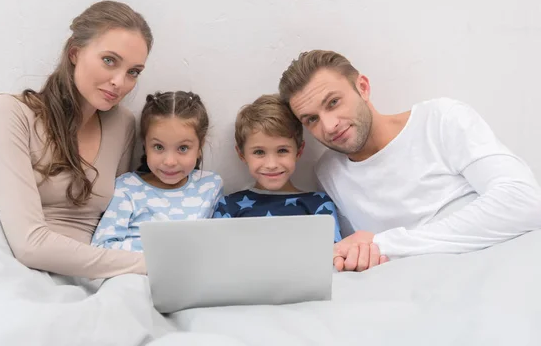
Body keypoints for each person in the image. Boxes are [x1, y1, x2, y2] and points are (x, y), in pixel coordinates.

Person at [278, 50, 541, 272]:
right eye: (311, 119)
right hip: (417, 301)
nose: (330, 125)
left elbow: (525, 202)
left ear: (363, 88)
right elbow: (363, 253)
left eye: (333, 102)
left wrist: (387, 244)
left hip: (498, 273)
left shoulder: (440, 120)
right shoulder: (329, 171)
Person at [0, 0, 153, 279]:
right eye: (109, 60)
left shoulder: (123, 124)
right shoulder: (9, 113)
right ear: (75, 53)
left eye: (133, 72)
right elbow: (29, 245)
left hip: (89, 273)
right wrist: (148, 265)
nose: (120, 82)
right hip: (7, 264)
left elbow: (113, 221)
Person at [91, 91, 223, 251]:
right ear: (145, 145)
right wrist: (161, 252)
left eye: (183, 148)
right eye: (158, 147)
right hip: (133, 272)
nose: (169, 161)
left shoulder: (210, 186)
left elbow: (217, 244)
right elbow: (101, 246)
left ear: (200, 146)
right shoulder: (127, 188)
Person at [212, 94, 342, 243]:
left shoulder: (318, 204)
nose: (271, 164)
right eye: (259, 152)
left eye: (282, 151)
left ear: (298, 151)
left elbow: (333, 257)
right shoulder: (228, 206)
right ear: (242, 155)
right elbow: (217, 257)